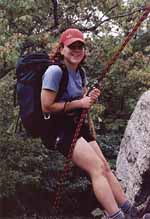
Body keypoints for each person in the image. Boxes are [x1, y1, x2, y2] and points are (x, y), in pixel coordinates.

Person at [41, 28, 147, 219]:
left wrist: (88, 98)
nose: (76, 50)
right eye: (72, 46)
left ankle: (130, 211)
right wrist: (80, 103)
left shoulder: (80, 72)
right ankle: (117, 216)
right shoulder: (54, 71)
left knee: (105, 167)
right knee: (96, 169)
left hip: (77, 125)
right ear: (62, 48)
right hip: (59, 130)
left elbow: (80, 101)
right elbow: (46, 106)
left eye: (80, 46)